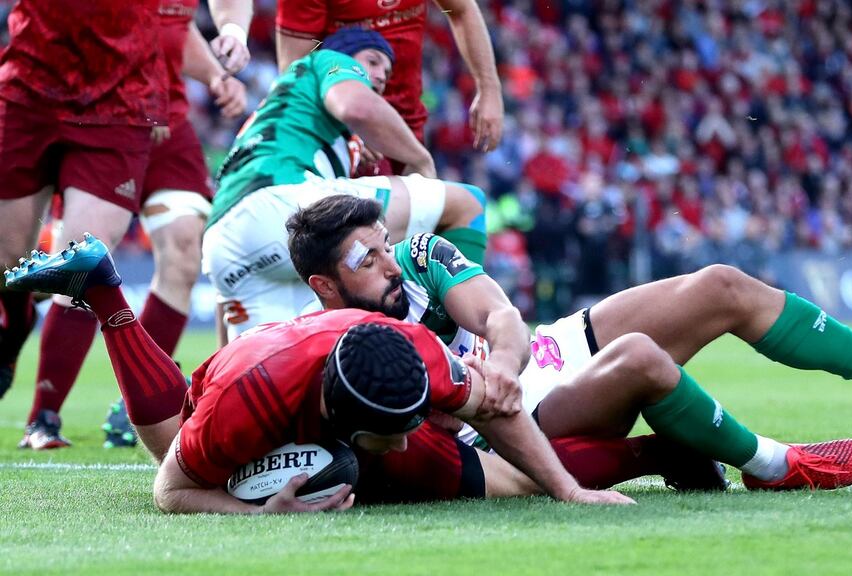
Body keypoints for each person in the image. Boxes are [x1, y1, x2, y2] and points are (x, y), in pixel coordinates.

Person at [285, 194, 852, 490]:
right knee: (642, 363)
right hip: (518, 429)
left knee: (722, 283)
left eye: (381, 247)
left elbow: (501, 315)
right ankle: (777, 466)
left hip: (541, 360)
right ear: (323, 285)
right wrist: (488, 397)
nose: (386, 262)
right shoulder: (332, 338)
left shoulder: (415, 254)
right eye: (364, 259)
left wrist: (503, 362)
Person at [3, 236, 633, 513]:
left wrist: (568, 492)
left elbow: (497, 411)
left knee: (508, 474)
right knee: (175, 449)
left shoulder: (412, 348)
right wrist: (259, 518)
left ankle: (105, 290)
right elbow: (171, 491)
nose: (409, 436)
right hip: (246, 381)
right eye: (396, 429)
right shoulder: (251, 401)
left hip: (262, 368)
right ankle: (109, 295)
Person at [11, 0, 251, 452]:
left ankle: (135, 402)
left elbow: (177, 32)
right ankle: (44, 416)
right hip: (106, 117)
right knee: (81, 258)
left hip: (169, 131)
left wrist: (216, 75)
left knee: (184, 250)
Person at [204, 28, 488, 344]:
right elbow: (355, 106)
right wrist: (420, 161)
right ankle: (464, 353)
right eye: (373, 61)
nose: (381, 75)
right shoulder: (327, 59)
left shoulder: (281, 121)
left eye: (387, 70)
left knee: (270, 373)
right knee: (466, 203)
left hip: (222, 246)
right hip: (280, 203)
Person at [275, 0, 504, 167]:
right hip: (340, 131)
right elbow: (295, 69)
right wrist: (347, 130)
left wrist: (489, 88)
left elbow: (461, 10)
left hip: (407, 121)